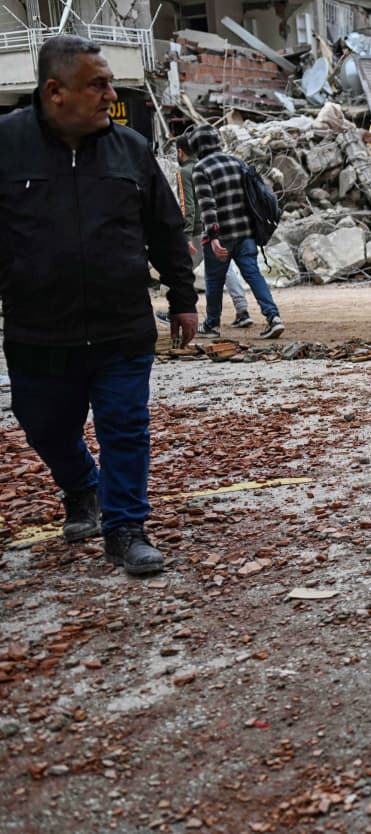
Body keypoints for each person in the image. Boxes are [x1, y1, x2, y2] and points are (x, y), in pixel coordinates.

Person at [0, 35, 197, 575]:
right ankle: (80, 486)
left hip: (121, 327)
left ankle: (126, 529)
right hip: (37, 330)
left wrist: (184, 298)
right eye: (99, 84)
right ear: (55, 92)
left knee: (125, 425)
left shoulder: (130, 147)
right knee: (43, 425)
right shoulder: (6, 144)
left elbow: (166, 228)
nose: (112, 94)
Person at [185, 124, 285, 339]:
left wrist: (212, 236)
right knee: (254, 275)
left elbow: (207, 205)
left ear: (197, 146)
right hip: (246, 233)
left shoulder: (201, 168)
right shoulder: (237, 162)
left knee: (214, 281)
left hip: (221, 236)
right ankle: (273, 317)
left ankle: (212, 324)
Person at [175, 134, 252, 328]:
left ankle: (176, 310)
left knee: (180, 270)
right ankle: (242, 308)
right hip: (216, 225)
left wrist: (186, 234)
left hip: (198, 229)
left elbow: (187, 206)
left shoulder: (184, 171)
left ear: (180, 152)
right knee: (223, 266)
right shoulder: (205, 167)